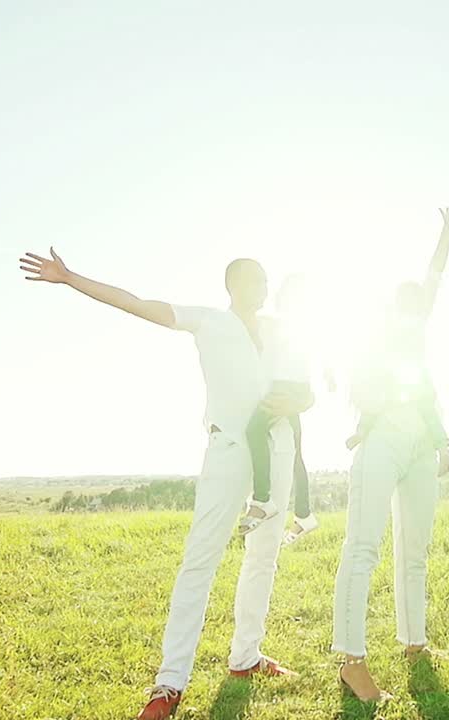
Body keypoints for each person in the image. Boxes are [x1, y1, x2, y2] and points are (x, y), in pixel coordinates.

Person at [18, 250, 312, 720]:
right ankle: (169, 684)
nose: (263, 286)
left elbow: (301, 386)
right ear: (233, 284)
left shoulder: (281, 330)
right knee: (200, 561)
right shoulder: (209, 321)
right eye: (255, 279)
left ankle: (246, 658)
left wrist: (301, 397)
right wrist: (71, 278)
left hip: (275, 453)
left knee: (264, 558)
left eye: (265, 279)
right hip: (228, 451)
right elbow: (136, 303)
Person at [332, 207, 449, 702]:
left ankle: (415, 643)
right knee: (362, 548)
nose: (414, 310)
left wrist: (446, 233)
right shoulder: (370, 335)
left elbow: (435, 277)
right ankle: (352, 662)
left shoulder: (416, 333)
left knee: (415, 551)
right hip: (382, 439)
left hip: (420, 443)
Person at [238, 277, 319, 541]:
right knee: (297, 455)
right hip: (296, 387)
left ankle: (262, 499)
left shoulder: (277, 324)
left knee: (254, 429)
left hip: (285, 388)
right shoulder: (302, 326)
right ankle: (304, 515)